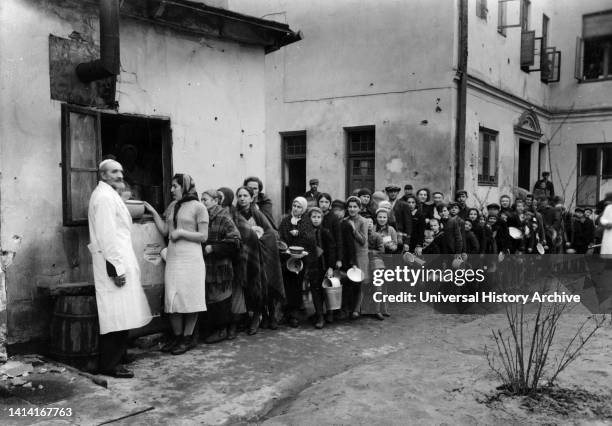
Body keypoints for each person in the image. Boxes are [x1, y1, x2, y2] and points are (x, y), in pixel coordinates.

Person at [88, 159, 152, 378]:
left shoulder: (111, 194)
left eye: (121, 171)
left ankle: (119, 356)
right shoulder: (104, 197)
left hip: (120, 259)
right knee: (115, 313)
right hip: (112, 262)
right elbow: (107, 236)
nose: (119, 175)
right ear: (103, 175)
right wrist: (115, 268)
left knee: (123, 310)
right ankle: (110, 364)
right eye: (114, 172)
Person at [145, 174, 208, 355]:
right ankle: (177, 337)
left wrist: (182, 233)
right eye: (172, 186)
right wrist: (153, 212)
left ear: (185, 186)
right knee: (172, 298)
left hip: (191, 258)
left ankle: (187, 338)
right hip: (174, 257)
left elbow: (203, 236)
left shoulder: (199, 207)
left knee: (190, 298)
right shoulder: (173, 206)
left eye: (175, 186)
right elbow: (166, 230)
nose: (172, 190)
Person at [236, 186, 285, 333]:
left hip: (261, 255)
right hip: (244, 256)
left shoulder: (257, 214)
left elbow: (270, 233)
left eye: (245, 196)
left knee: (265, 284)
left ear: (251, 198)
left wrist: (257, 240)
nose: (242, 198)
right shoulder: (235, 215)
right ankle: (257, 315)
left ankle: (269, 316)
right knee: (250, 286)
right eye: (240, 196)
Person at [201, 189, 241, 344]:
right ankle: (214, 329)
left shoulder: (224, 217)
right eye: (202, 199)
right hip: (207, 265)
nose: (202, 202)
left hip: (220, 266)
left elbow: (236, 240)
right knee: (211, 297)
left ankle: (222, 330)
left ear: (215, 201)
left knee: (221, 297)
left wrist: (214, 248)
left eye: (206, 199)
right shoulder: (203, 217)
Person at [217, 187, 254, 338]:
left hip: (236, 259)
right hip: (220, 259)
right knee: (222, 294)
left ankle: (233, 325)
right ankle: (223, 326)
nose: (218, 200)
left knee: (236, 293)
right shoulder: (215, 212)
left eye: (221, 197)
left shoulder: (234, 214)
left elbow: (246, 234)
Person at [278, 196, 316, 327]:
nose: (296, 208)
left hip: (300, 259)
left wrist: (298, 233)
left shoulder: (306, 222)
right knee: (287, 285)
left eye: (299, 207)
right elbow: (280, 237)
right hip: (286, 257)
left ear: (304, 209)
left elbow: (310, 239)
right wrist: (285, 245)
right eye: (294, 205)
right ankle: (286, 313)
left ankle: (294, 315)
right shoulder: (285, 221)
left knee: (296, 285)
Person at [307, 207, 336, 328]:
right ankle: (320, 316)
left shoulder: (325, 232)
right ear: (309, 218)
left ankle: (329, 313)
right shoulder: (307, 233)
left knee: (326, 290)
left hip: (324, 266)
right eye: (313, 217)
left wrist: (330, 267)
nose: (316, 219)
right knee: (315, 291)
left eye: (318, 217)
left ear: (322, 219)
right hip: (313, 267)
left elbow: (331, 250)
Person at [343, 196, 369, 319]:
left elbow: (363, 241)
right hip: (349, 254)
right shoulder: (345, 220)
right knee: (350, 280)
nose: (352, 209)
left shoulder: (363, 221)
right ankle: (348, 307)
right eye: (350, 207)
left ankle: (357, 309)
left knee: (360, 281)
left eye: (355, 207)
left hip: (360, 254)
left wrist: (354, 229)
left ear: (359, 208)